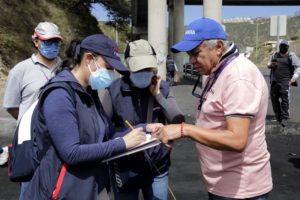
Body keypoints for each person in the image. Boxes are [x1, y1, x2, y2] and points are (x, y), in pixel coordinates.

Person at [22, 34, 162, 200]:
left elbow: (107, 135)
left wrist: (143, 129)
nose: (111, 73)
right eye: (108, 67)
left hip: (86, 188)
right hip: (59, 192)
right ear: (89, 58)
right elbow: (72, 153)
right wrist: (123, 144)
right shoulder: (59, 94)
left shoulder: (89, 92)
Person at [156, 18, 273, 200]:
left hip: (241, 190)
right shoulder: (218, 70)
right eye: (189, 55)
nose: (191, 61)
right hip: (224, 184)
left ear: (218, 47)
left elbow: (237, 140)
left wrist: (183, 130)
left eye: (196, 54)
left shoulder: (238, 77)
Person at [101, 39, 185, 200]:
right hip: (125, 166)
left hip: (157, 164)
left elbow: (177, 120)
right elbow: (104, 130)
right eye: (139, 68)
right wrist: (136, 131)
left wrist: (158, 95)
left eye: (148, 68)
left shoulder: (163, 87)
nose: (144, 72)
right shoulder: (114, 90)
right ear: (128, 67)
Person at [2, 21, 63, 198]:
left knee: (59, 189)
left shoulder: (66, 68)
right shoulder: (20, 70)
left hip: (60, 141)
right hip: (30, 145)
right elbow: (12, 106)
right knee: (29, 190)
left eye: (55, 42)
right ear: (36, 41)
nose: (52, 45)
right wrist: (30, 123)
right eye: (47, 41)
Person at [267, 39, 300, 127]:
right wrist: (271, 66)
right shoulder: (274, 55)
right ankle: (278, 116)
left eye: (285, 46)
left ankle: (284, 117)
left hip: (285, 81)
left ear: (288, 47)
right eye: (281, 46)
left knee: (285, 100)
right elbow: (268, 64)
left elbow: (298, 67)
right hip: (274, 81)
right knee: (274, 100)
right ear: (279, 46)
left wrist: (293, 78)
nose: (283, 47)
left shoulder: (291, 56)